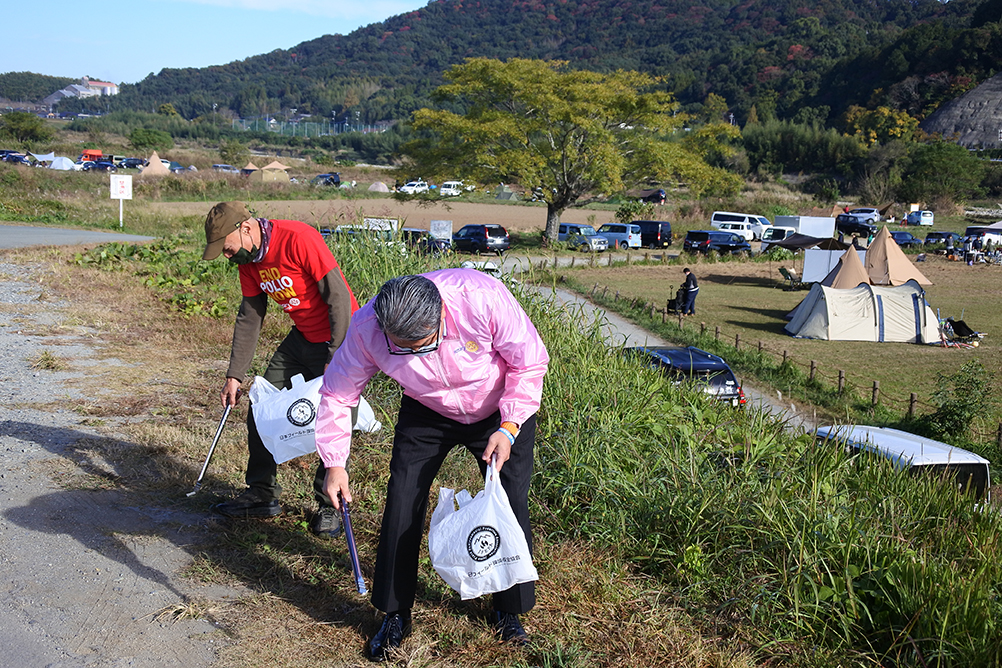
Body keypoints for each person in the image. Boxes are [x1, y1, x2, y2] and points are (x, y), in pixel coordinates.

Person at [315, 269, 549, 661]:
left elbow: (529, 363)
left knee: (509, 503)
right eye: (404, 350)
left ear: (442, 314)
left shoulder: (482, 298)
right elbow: (338, 394)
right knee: (402, 499)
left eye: (425, 345)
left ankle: (508, 609)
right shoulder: (367, 327)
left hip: (498, 409)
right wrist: (334, 463)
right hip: (426, 410)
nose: (419, 356)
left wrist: (509, 427)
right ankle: (394, 613)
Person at [201, 201, 359, 538]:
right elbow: (250, 316)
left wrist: (337, 357)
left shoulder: (298, 238)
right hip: (301, 340)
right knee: (262, 408)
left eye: (227, 250)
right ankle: (261, 494)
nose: (228, 257)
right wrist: (234, 374)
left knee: (331, 418)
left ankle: (329, 505)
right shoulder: (249, 261)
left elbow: (339, 298)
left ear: (245, 229)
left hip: (342, 340)